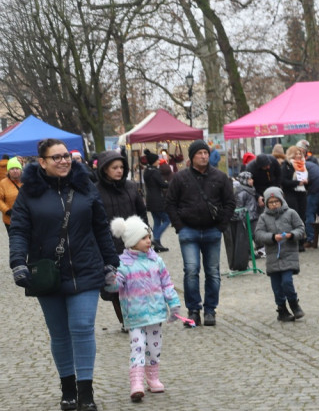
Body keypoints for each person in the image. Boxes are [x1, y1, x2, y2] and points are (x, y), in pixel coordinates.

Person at [9, 138, 119, 411]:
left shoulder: (85, 188)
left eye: (66, 156)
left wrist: (110, 264)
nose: (63, 161)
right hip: (48, 274)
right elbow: (19, 230)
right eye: (55, 157)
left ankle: (86, 394)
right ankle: (67, 388)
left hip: (86, 269)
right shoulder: (29, 194)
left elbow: (101, 228)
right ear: (42, 162)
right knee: (59, 334)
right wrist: (18, 263)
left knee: (82, 327)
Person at [110, 216, 184, 401]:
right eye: (144, 238)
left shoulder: (156, 261)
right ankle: (136, 383)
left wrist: (173, 304)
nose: (149, 240)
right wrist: (110, 280)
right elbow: (116, 285)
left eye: (149, 237)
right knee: (138, 347)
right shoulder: (123, 264)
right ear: (133, 241)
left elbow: (167, 284)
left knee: (153, 348)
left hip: (155, 314)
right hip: (135, 316)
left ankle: (153, 378)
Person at [165, 139, 236, 327]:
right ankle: (193, 310)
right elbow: (170, 202)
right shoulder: (180, 178)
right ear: (192, 157)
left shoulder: (220, 177)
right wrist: (179, 226)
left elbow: (230, 202)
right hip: (189, 230)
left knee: (213, 272)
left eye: (206, 153)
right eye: (200, 153)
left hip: (212, 230)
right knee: (191, 271)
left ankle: (210, 310)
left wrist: (221, 225)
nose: (204, 156)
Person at [96, 149, 148, 332]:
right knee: (116, 286)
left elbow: (141, 212)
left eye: (121, 167)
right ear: (104, 170)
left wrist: (146, 235)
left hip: (134, 243)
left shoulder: (131, 187)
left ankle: (140, 316)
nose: (119, 170)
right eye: (114, 167)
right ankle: (125, 320)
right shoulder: (95, 191)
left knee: (138, 282)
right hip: (109, 245)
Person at [253, 187, 306, 321]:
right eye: (271, 202)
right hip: (272, 257)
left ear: (281, 200)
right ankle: (281, 309)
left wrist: (291, 235)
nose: (274, 204)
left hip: (289, 255)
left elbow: (301, 229)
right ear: (266, 204)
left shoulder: (291, 213)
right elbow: (258, 235)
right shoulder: (263, 217)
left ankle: (294, 304)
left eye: (276, 201)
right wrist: (271, 237)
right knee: (276, 287)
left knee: (287, 282)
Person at [142, 150, 171, 252]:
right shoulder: (155, 172)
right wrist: (171, 183)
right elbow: (162, 184)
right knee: (167, 219)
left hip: (150, 199)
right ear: (154, 161)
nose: (159, 161)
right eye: (157, 160)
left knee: (157, 221)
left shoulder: (146, 171)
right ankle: (156, 239)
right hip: (157, 200)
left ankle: (157, 244)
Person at [280, 145, 308, 228]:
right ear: (291, 154)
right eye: (296, 154)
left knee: (303, 216)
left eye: (300, 154)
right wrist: (297, 183)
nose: (299, 156)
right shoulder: (286, 166)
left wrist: (306, 182)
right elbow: (283, 181)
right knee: (294, 216)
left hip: (302, 193)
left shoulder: (303, 165)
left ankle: (302, 236)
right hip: (291, 194)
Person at [304, 156, 319, 247]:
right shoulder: (314, 166)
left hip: (315, 188)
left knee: (309, 212)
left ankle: (311, 239)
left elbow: (304, 181)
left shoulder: (301, 165)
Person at [0, 156, 23, 232]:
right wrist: (7, 210)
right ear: (8, 171)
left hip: (27, 219)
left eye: (17, 168)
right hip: (10, 220)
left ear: (21, 170)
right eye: (12, 169)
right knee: (15, 242)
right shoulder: (3, 183)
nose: (15, 171)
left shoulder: (27, 181)